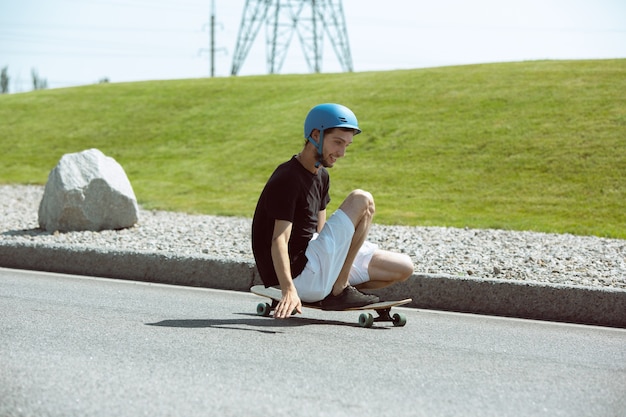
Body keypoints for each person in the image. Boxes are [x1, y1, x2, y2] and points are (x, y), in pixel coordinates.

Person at [251, 103, 414, 319]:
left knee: (403, 267)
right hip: (298, 275)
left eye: (347, 145)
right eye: (337, 142)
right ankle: (339, 288)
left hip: (317, 266)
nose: (342, 152)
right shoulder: (288, 178)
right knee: (362, 199)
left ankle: (335, 287)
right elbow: (278, 241)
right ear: (316, 135)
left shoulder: (321, 176)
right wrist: (288, 289)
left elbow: (320, 231)